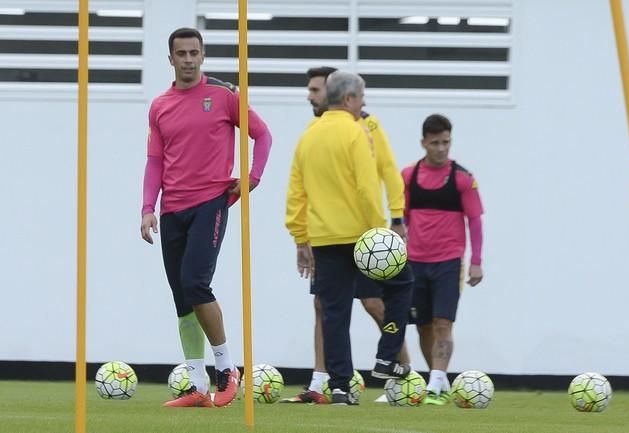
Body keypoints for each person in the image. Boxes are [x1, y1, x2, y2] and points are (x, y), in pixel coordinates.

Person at [140, 27, 272, 408]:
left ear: (202, 55)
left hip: (211, 201)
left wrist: (252, 178)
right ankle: (197, 386)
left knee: (196, 284)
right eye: (180, 53)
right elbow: (155, 161)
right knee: (182, 298)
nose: (188, 59)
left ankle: (227, 371)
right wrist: (148, 207)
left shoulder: (224, 96)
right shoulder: (160, 105)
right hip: (172, 209)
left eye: (193, 52)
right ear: (170, 59)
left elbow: (262, 136)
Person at [281, 66, 410, 404]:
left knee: (334, 313)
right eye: (361, 98)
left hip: (324, 238)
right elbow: (367, 187)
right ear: (350, 98)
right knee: (402, 285)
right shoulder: (357, 133)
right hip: (360, 233)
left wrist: (299, 234)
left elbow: (296, 191)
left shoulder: (308, 134)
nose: (362, 104)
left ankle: (340, 387)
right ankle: (387, 356)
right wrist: (380, 229)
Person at [401, 114, 484, 406]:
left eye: (446, 142)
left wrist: (477, 260)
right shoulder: (409, 176)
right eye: (435, 142)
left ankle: (436, 382)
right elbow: (403, 219)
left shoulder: (463, 179)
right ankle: (439, 379)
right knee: (422, 324)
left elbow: (474, 221)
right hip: (415, 261)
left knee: (442, 323)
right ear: (423, 142)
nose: (441, 148)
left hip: (449, 261)